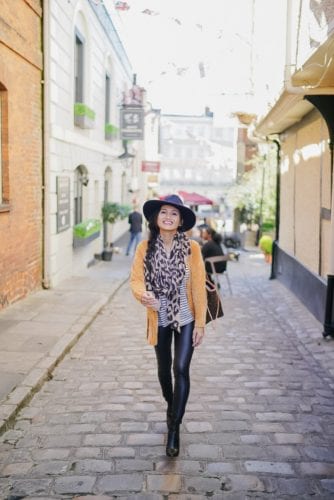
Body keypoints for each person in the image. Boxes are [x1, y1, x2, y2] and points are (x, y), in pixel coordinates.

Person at [130, 194, 207, 458]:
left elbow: (198, 286)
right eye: (164, 212)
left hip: (186, 317)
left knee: (181, 368)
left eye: (174, 214)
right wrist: (143, 295)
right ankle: (171, 405)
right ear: (156, 218)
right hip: (160, 317)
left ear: (181, 220)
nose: (168, 217)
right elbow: (136, 280)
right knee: (164, 371)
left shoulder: (192, 249)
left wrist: (200, 323)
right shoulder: (144, 248)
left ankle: (174, 428)